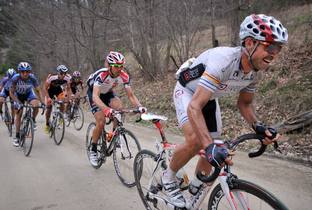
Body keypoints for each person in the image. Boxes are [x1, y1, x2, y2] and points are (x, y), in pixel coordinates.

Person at [162, 14, 287, 207]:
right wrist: (208, 145)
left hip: (208, 97)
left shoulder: (254, 71)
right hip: (187, 92)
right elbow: (194, 106)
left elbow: (245, 104)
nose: (274, 53)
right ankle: (168, 178)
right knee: (198, 141)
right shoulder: (224, 61)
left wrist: (258, 126)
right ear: (249, 43)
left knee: (216, 143)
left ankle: (196, 185)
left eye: (277, 49)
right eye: (269, 47)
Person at [86, 51, 147, 166]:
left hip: (108, 93)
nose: (119, 69)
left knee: (119, 108)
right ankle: (93, 149)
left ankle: (115, 133)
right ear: (109, 66)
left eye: (121, 66)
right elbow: (95, 96)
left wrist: (140, 106)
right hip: (95, 94)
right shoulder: (101, 75)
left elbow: (131, 95)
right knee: (101, 122)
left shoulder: (124, 76)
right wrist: (106, 110)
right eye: (116, 66)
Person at [10, 62, 45, 147]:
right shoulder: (15, 79)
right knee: (19, 113)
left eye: (27, 72)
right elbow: (11, 93)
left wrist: (43, 103)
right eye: (23, 72)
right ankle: (17, 136)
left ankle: (32, 119)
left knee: (36, 106)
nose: (25, 74)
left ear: (29, 72)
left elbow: (38, 91)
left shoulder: (32, 78)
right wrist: (17, 102)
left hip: (29, 94)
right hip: (18, 96)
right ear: (19, 72)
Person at [43, 65, 72, 134]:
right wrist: (48, 97)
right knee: (49, 108)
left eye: (65, 73)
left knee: (62, 101)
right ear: (57, 72)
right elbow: (45, 88)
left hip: (58, 90)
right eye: (61, 73)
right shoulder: (51, 77)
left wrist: (70, 98)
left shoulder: (67, 78)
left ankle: (61, 117)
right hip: (49, 91)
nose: (63, 75)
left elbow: (68, 88)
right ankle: (47, 124)